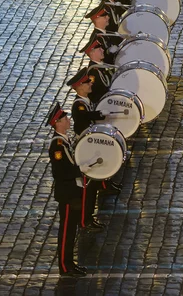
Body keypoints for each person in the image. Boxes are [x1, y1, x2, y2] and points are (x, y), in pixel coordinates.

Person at [46, 103, 87, 277]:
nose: (69, 120)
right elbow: (60, 172)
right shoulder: (58, 145)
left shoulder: (64, 141)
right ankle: (64, 265)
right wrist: (81, 169)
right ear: (59, 122)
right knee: (67, 231)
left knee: (72, 231)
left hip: (73, 191)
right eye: (65, 118)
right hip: (68, 193)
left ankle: (70, 262)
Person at [67, 68, 111, 230]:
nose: (90, 83)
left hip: (89, 143)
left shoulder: (86, 100)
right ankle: (85, 220)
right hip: (84, 147)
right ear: (79, 87)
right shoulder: (79, 105)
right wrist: (98, 114)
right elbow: (85, 117)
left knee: (92, 186)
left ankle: (88, 217)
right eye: (87, 82)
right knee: (87, 187)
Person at [80, 35, 111, 104]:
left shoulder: (100, 66)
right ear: (92, 52)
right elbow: (95, 93)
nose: (102, 50)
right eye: (99, 49)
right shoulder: (93, 71)